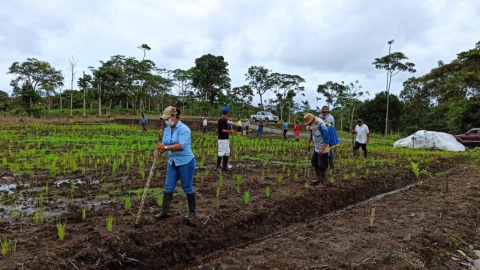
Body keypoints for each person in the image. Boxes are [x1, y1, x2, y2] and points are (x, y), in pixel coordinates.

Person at [154, 106, 197, 219]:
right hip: (172, 162)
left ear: (174, 116)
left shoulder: (184, 129)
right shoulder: (167, 130)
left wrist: (166, 147)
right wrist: (159, 151)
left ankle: (192, 211)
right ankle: (164, 211)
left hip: (185, 162)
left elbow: (181, 146)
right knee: (168, 186)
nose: (166, 121)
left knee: (187, 186)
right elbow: (164, 146)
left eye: (167, 118)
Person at [305, 113, 331, 186]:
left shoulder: (321, 126)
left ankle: (323, 183)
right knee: (314, 162)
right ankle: (318, 179)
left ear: (313, 120)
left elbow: (327, 139)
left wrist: (323, 149)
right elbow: (311, 135)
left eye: (309, 123)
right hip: (317, 148)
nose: (308, 124)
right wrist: (308, 143)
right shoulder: (312, 126)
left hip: (323, 149)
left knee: (322, 166)